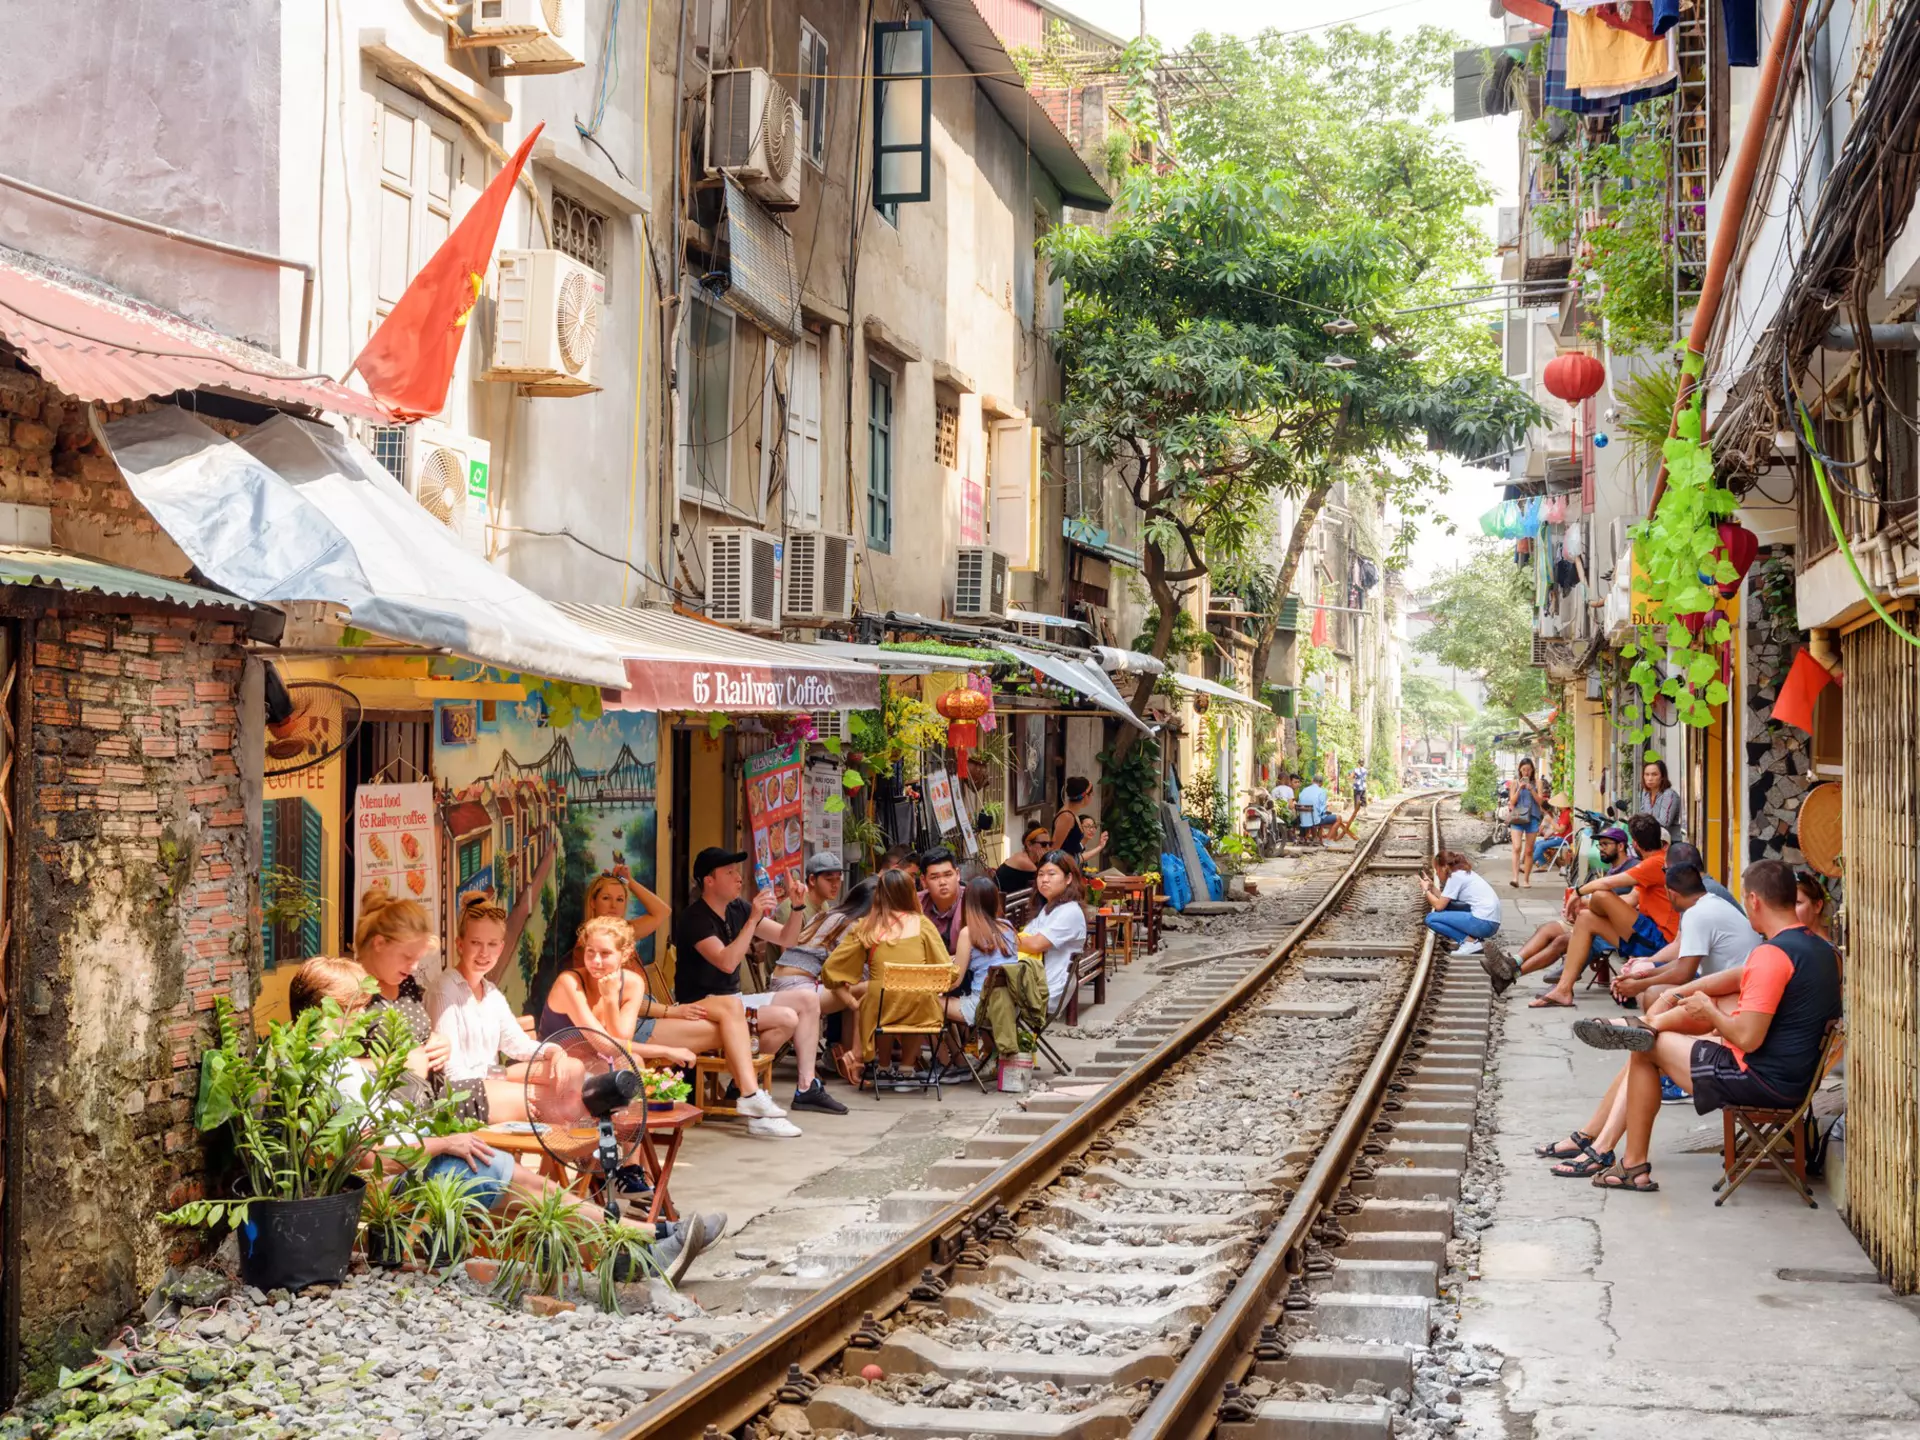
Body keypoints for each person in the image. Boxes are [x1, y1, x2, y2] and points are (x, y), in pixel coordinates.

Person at [291, 956, 724, 1283]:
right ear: (331, 1010)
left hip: (418, 1165)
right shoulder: (328, 1071)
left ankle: (639, 1242)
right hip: (403, 1182)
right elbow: (367, 1159)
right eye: (358, 1008)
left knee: (529, 1184)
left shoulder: (316, 1061)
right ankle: (644, 1241)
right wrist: (443, 1143)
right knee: (521, 1183)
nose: (366, 1017)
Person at [1571, 860, 1842, 1193]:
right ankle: (1645, 1026)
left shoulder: (1771, 954)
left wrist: (1710, 1012)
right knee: (1658, 1031)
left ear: (1755, 900)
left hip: (1762, 1080)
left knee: (1646, 1046)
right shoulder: (1824, 951)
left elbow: (1748, 1038)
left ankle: (1632, 1165)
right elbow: (1743, 983)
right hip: (1795, 1078)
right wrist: (1693, 997)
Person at [669, 848, 805, 1137]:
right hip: (702, 1007)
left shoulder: (738, 908)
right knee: (784, 1016)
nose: (738, 877)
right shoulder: (695, 919)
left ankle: (741, 1087)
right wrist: (753, 920)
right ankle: (750, 1093)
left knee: (793, 1014)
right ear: (709, 880)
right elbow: (727, 961)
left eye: (736, 870)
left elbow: (786, 938)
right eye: (729, 872)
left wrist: (796, 908)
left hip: (733, 1002)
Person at [351, 885, 482, 1122]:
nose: (413, 967)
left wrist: (439, 1041)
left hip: (437, 1095)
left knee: (540, 1098)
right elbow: (330, 1067)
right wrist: (393, 1063)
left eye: (418, 959)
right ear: (379, 943)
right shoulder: (349, 991)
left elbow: (418, 1037)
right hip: (392, 1114)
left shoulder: (406, 985)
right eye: (407, 957)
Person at [1527, 814, 1676, 1009]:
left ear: (1636, 844)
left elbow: (1607, 884)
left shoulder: (1655, 864)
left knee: (1600, 895)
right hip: (1646, 935)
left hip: (1661, 943)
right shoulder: (1652, 864)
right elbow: (1630, 900)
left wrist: (1578, 894)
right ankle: (1563, 990)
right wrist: (1589, 906)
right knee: (1586, 918)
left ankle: (1553, 983)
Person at [822, 869, 957, 1080]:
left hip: (880, 1006)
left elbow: (832, 968)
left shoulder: (867, 926)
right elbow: (945, 967)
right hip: (920, 1007)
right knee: (917, 1000)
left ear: (880, 894)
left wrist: (851, 1003)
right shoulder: (923, 924)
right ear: (911, 892)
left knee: (879, 1004)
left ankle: (883, 1067)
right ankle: (906, 1070)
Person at [426, 894, 540, 1121]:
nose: (484, 953)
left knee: (568, 1075)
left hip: (491, 1086)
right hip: (458, 1097)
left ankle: (557, 1156)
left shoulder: (491, 993)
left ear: (501, 948)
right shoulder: (445, 990)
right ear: (460, 944)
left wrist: (553, 1053)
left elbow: (517, 1043)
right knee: (541, 1098)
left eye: (492, 944)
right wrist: (501, 1075)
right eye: (475, 943)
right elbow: (452, 1073)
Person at [772, 878, 875, 1096]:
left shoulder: (830, 914)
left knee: (853, 991)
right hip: (800, 988)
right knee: (869, 988)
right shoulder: (852, 926)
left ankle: (844, 1053)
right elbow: (852, 971)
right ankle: (855, 1058)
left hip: (784, 984)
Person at [1609, 864, 1759, 1011]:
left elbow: (1683, 974)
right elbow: (1682, 963)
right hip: (1732, 984)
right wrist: (1641, 976)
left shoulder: (1696, 913)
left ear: (1671, 893)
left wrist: (1638, 985)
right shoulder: (1710, 902)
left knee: (1653, 995)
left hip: (1736, 993)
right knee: (1649, 990)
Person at [1515, 826, 1633, 980]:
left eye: (1605, 845)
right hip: (1595, 919)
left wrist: (1585, 902)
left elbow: (1629, 903)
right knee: (1548, 928)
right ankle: (1514, 962)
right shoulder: (1611, 869)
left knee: (1562, 940)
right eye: (1600, 845)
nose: (1601, 849)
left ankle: (1514, 974)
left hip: (1613, 927)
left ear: (1621, 846)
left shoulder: (1632, 868)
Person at [1018, 852, 1090, 1013]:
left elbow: (1036, 944)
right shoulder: (1048, 908)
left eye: (1052, 874)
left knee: (980, 1003)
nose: (1044, 879)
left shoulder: (1069, 911)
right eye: (1041, 874)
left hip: (1045, 991)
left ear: (1068, 878)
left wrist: (1000, 938)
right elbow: (1026, 939)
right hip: (1034, 984)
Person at [944, 876, 1021, 1028]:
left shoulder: (968, 932)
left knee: (928, 1002)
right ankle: (985, 1049)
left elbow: (955, 982)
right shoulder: (1007, 926)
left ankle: (947, 1053)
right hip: (1011, 1005)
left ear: (967, 903)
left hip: (982, 1007)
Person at [1420, 851, 1511, 977]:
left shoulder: (1454, 877)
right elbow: (1445, 901)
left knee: (1431, 919)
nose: (1437, 873)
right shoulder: (1461, 874)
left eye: (1437, 870)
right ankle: (1472, 941)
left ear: (1444, 867)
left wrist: (1425, 891)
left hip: (1483, 923)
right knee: (1450, 907)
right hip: (1490, 922)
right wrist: (1432, 888)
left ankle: (1469, 942)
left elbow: (1439, 906)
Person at [583, 865, 672, 944]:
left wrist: (628, 881)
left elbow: (664, 911)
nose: (614, 905)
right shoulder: (586, 942)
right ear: (593, 902)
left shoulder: (625, 932)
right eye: (606, 898)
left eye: (619, 899)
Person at [1505, 758, 1545, 889]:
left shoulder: (1538, 782)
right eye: (1523, 770)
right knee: (1516, 847)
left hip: (1532, 818)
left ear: (1532, 770)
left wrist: (1531, 789)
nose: (1526, 772)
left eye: (1528, 769)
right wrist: (1520, 789)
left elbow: (1540, 802)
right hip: (1517, 818)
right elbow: (1512, 801)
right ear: (1520, 771)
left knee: (1529, 851)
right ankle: (1515, 878)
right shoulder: (1515, 783)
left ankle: (1526, 879)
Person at [919, 846, 965, 951]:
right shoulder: (915, 904)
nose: (942, 882)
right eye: (935, 877)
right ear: (924, 881)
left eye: (948, 875)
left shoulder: (973, 901)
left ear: (957, 874)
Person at [1636, 758, 1686, 846]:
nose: (1650, 778)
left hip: (1671, 843)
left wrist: (1642, 822)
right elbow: (1642, 815)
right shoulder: (1645, 794)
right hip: (1653, 842)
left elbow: (1664, 823)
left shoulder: (1669, 794)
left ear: (1662, 777)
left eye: (1654, 774)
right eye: (1647, 774)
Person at [996, 823, 1050, 896]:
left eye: (1050, 844)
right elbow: (1046, 879)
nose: (1048, 848)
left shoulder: (1033, 860)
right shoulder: (1024, 861)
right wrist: (1044, 861)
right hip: (1000, 899)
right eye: (1043, 844)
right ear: (1029, 845)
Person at [1052, 776, 1094, 860]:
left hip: (1072, 863)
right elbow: (1054, 849)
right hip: (1064, 867)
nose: (1092, 797)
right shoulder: (1067, 816)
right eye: (1092, 794)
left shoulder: (1072, 814)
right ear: (1085, 797)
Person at [797, 851, 845, 920]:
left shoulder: (824, 904)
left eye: (838, 878)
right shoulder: (795, 908)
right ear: (812, 880)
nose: (836, 885)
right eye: (829, 879)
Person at [1533, 798, 1573, 868]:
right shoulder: (1563, 813)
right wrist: (1550, 833)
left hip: (1563, 839)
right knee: (1536, 844)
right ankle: (1543, 863)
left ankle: (1529, 864)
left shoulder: (1567, 813)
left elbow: (1561, 830)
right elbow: (1557, 828)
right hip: (1558, 837)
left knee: (1540, 846)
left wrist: (1551, 820)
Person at [1296, 774, 1330, 841]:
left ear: (1312, 781)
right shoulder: (1322, 791)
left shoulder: (1304, 790)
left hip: (1302, 820)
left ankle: (1315, 837)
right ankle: (1328, 840)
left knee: (1314, 814)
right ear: (1321, 783)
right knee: (1338, 818)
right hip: (1315, 821)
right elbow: (1322, 810)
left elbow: (1299, 804)